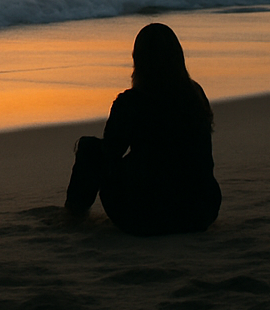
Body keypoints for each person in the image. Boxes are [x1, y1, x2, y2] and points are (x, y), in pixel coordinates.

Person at [63, 22, 221, 235]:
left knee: (89, 149)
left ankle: (74, 215)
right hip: (202, 210)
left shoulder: (131, 102)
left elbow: (111, 152)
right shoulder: (195, 95)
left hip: (145, 214)